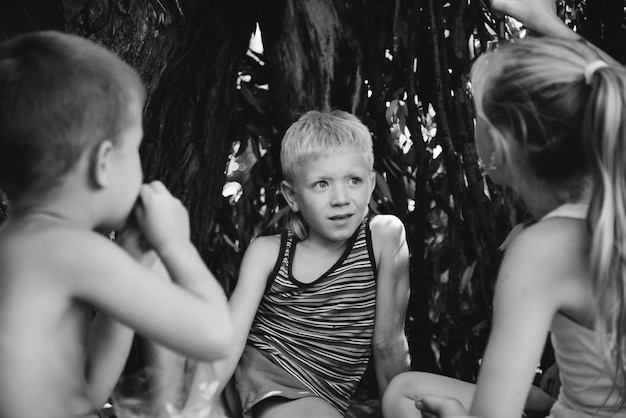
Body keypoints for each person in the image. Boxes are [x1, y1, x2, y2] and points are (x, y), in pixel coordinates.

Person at [381, 1, 626, 418]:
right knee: (405, 387)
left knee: (407, 398)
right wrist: (544, 20)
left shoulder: (542, 251)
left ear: (496, 148)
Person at [0, 30, 234, 418]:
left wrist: (132, 259)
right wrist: (177, 245)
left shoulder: (21, 245)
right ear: (104, 162)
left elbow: (88, 390)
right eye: (136, 149)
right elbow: (216, 336)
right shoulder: (73, 252)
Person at [182, 110, 411, 418]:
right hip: (260, 378)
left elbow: (388, 344)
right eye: (321, 184)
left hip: (319, 398)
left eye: (354, 180)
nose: (341, 198)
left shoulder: (384, 238)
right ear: (292, 196)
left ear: (371, 184)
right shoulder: (268, 253)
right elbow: (232, 338)